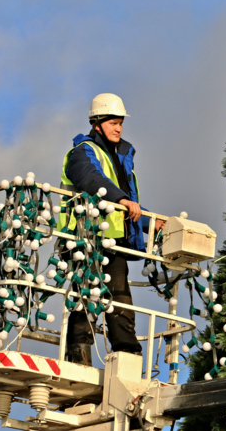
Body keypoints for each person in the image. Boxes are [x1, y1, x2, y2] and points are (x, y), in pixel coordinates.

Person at [59, 93, 165, 364]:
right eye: (112, 123)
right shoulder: (83, 152)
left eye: (120, 123)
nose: (118, 128)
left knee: (118, 294)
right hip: (86, 237)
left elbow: (129, 205)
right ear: (97, 124)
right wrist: (121, 200)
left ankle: (127, 354)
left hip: (112, 239)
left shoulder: (121, 157)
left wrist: (150, 222)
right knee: (86, 291)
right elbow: (90, 178)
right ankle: (79, 353)